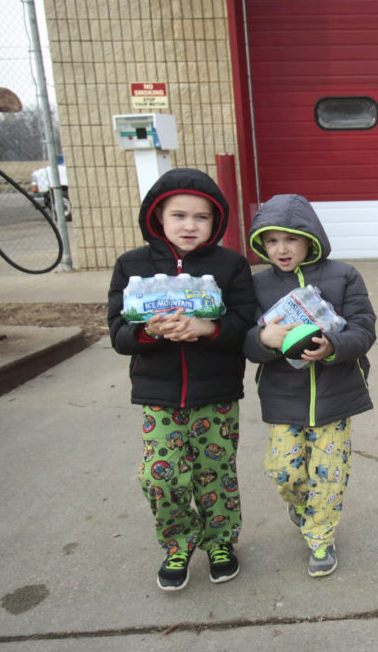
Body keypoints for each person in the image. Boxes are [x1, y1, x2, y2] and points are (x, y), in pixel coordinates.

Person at [107, 167, 256, 591]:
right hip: (159, 395)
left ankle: (221, 541)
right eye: (178, 215)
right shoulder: (131, 265)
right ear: (158, 217)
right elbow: (118, 332)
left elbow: (245, 323)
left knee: (215, 472)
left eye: (201, 217)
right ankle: (178, 541)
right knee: (161, 475)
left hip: (216, 393)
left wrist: (207, 328)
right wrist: (149, 331)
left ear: (216, 221)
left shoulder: (230, 266)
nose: (189, 225)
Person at [243, 194, 376, 578]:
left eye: (291, 239)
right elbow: (246, 342)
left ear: (311, 238)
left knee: (329, 476)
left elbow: (364, 328)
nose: (281, 249)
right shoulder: (258, 286)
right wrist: (263, 339)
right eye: (271, 241)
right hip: (284, 399)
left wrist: (334, 346)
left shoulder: (343, 275)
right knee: (285, 472)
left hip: (336, 397)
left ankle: (320, 538)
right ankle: (301, 506)